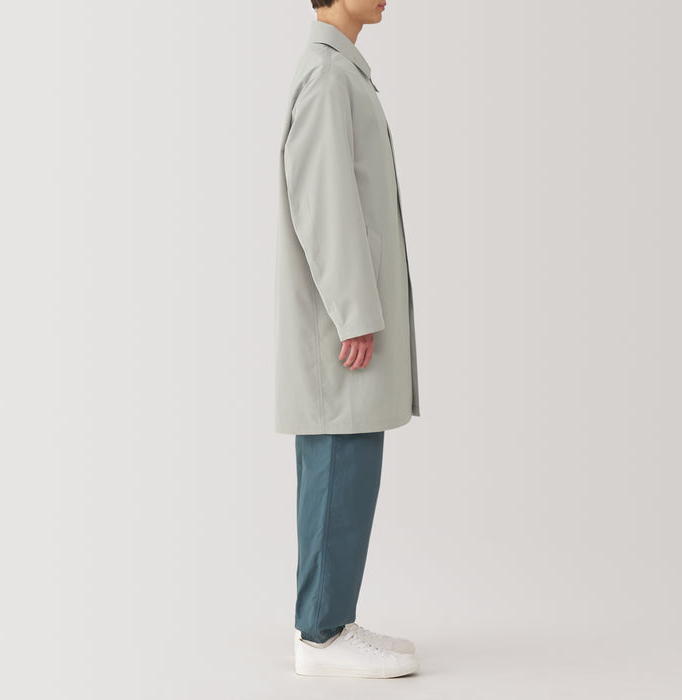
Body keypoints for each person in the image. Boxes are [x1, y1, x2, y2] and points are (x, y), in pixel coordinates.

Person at [274, 0, 421, 678]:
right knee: (340, 457)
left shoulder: (339, 71)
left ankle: (332, 619)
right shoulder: (328, 76)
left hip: (346, 315)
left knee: (348, 459)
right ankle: (322, 636)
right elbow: (323, 200)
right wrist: (354, 310)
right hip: (342, 323)